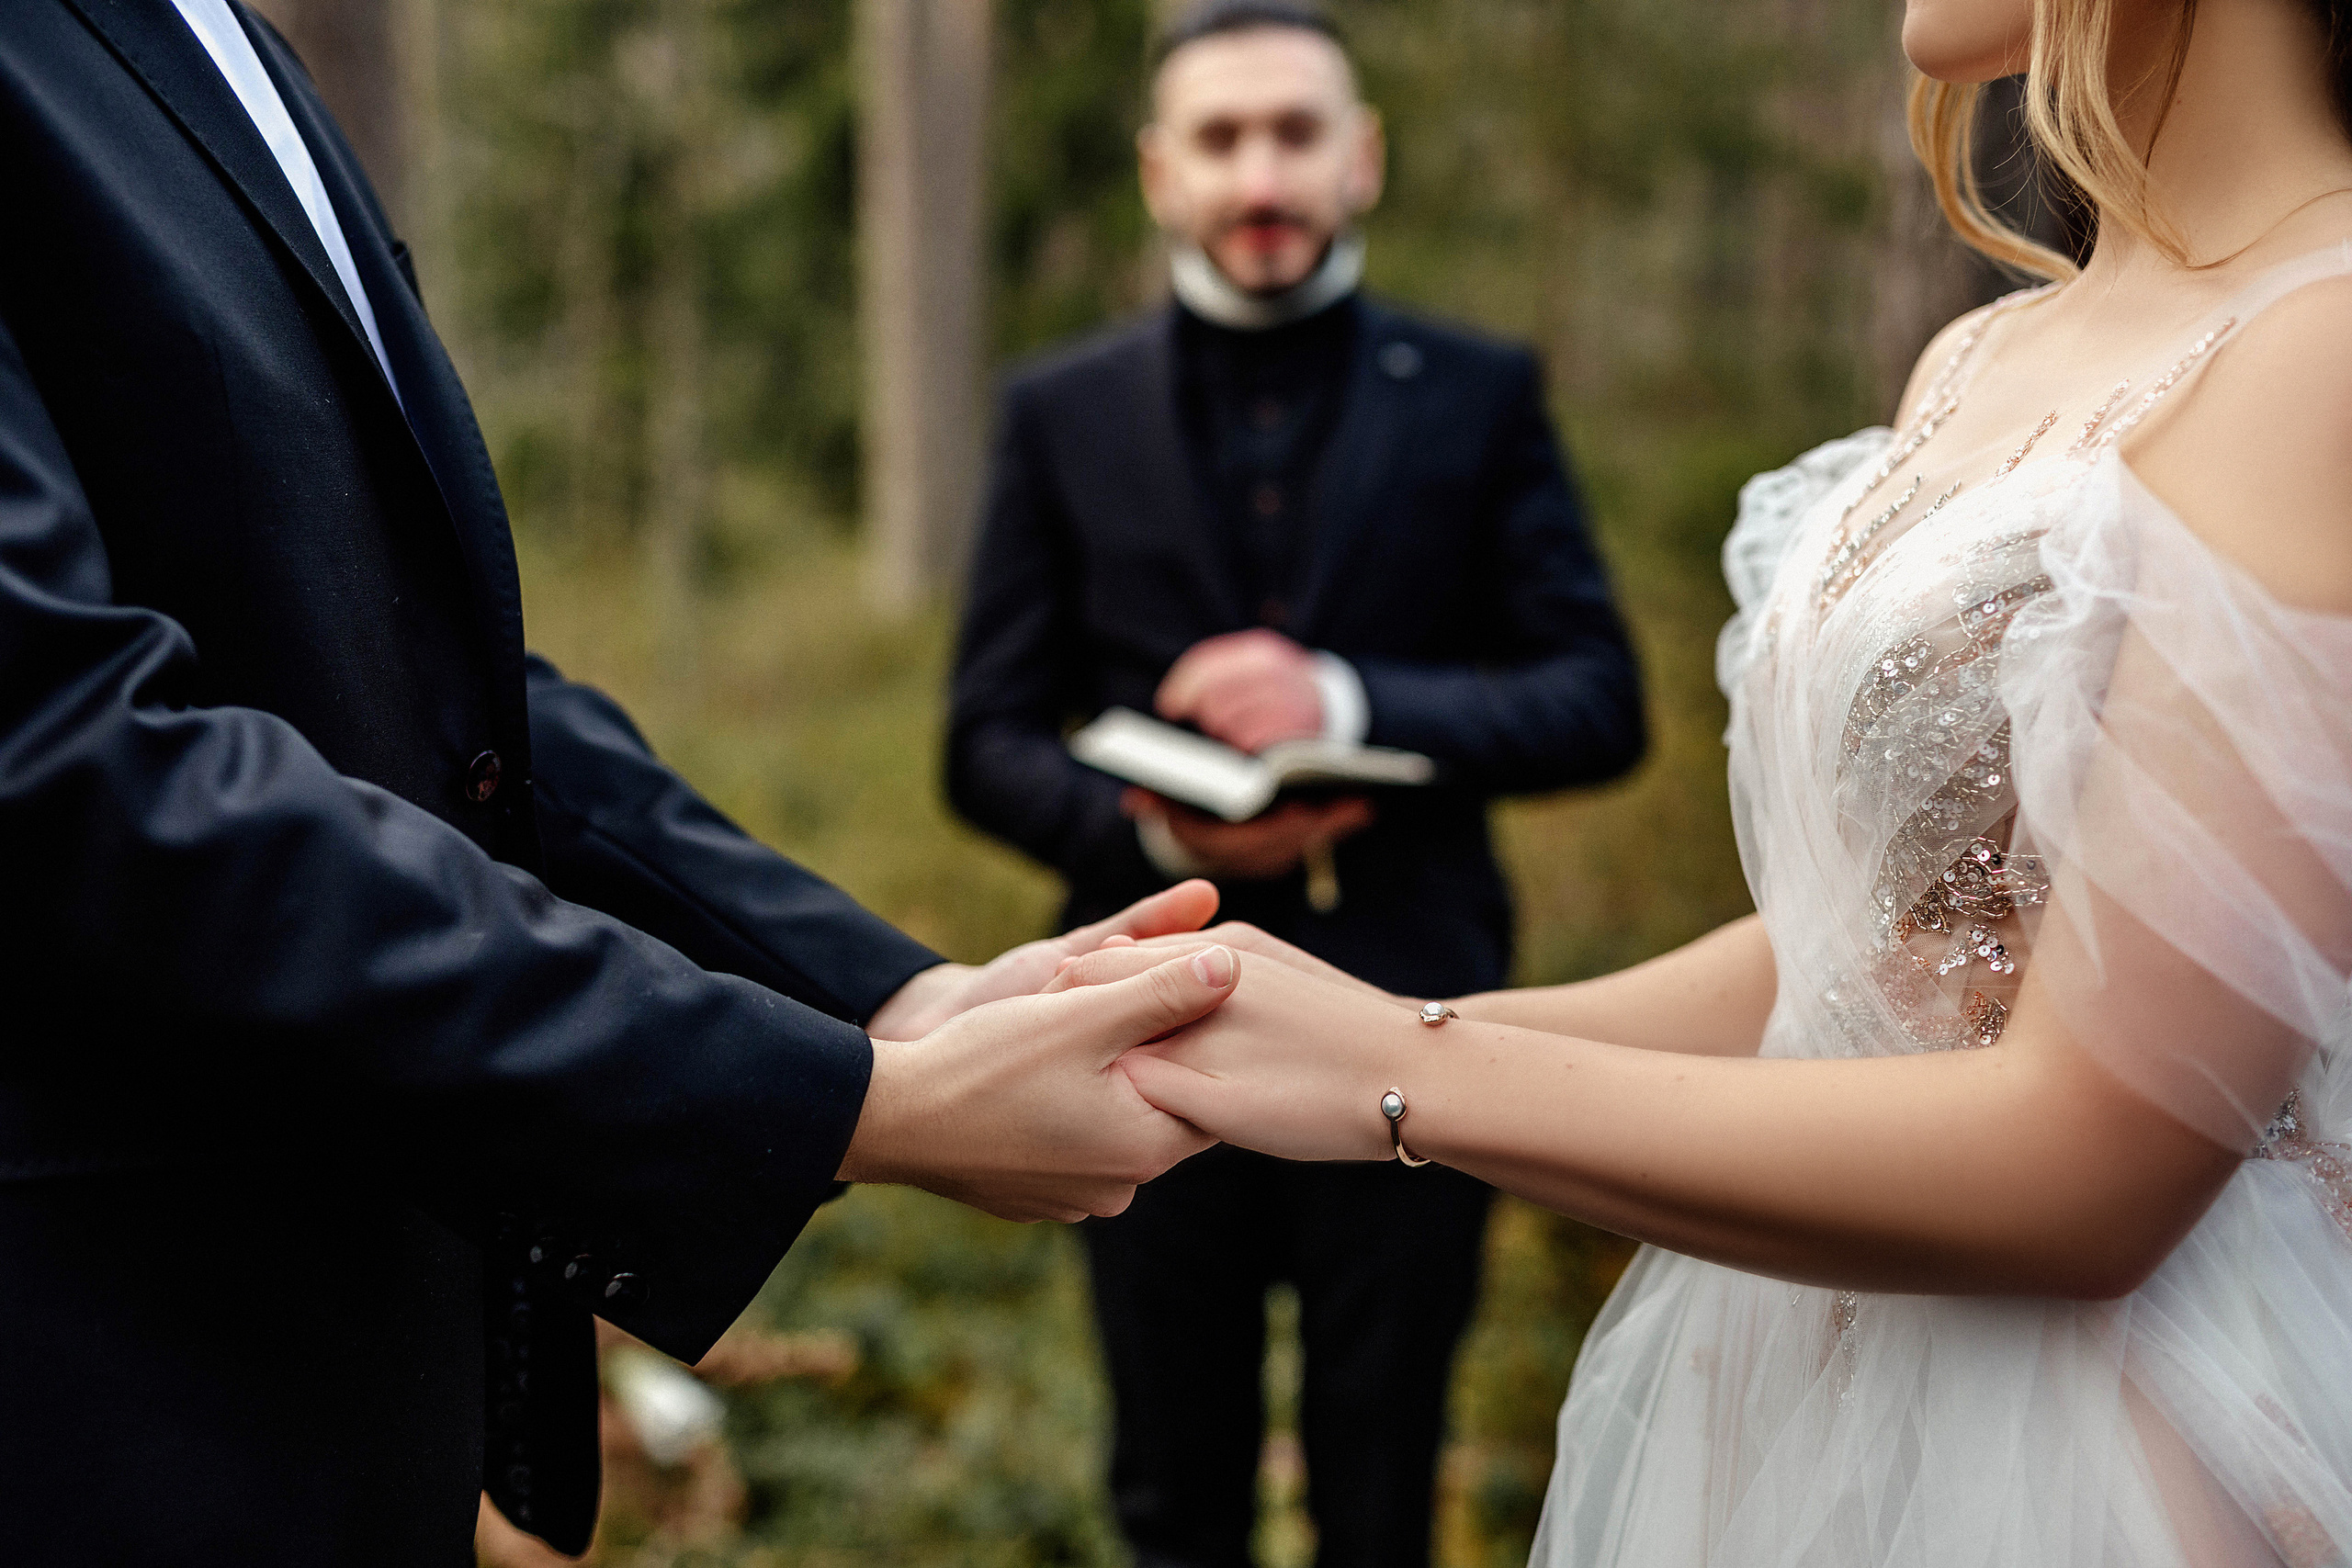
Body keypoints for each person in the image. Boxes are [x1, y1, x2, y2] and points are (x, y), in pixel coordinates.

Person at [1061, 0, 2352, 1561]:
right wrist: (1304, 1023)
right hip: (1800, 1401)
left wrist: (1399, 1076)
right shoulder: (1980, 355)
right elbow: (1860, 964)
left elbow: (2094, 1169)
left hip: (2114, 1443)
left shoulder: (2325, 346)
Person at [0, 4, 1244, 1563]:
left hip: (344, 1395)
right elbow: (68, 765)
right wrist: (845, 1107)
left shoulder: (223, 45)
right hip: (108, 1401)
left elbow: (429, 695)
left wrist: (893, 999)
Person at [945, 3, 1644, 1562]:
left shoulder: (1479, 392)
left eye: (1295, 133)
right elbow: (981, 738)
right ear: (1159, 171)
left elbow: (1601, 700)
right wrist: (1152, 831)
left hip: (1421, 1010)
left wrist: (1347, 698)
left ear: (1362, 156)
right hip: (1139, 1017)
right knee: (1169, 1479)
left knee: (1383, 1476)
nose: (1260, 175)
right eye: (1220, 138)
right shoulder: (1059, 408)